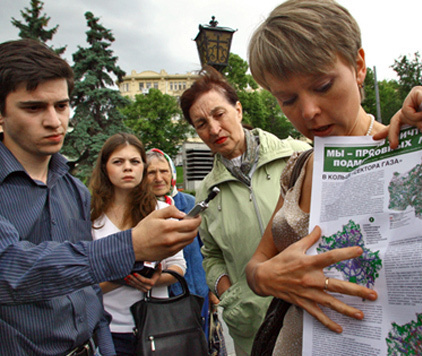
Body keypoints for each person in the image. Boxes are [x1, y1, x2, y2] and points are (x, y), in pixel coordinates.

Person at [245, 1, 422, 355]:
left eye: (322, 86)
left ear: (359, 66)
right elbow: (258, 262)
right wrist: (264, 278)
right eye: (287, 99)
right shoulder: (298, 168)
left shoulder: (413, 153)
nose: (308, 111)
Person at [0, 38, 200, 356]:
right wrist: (131, 246)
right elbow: (10, 270)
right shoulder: (91, 202)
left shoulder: (73, 191)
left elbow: (88, 293)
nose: (54, 121)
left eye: (62, 106)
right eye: (34, 107)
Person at [179, 66, 311, 356]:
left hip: (311, 315)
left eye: (219, 114)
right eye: (201, 123)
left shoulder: (299, 156)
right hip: (251, 328)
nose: (213, 129)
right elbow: (210, 255)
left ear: (238, 109)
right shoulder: (206, 193)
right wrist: (230, 293)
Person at [90, 133, 187, 355]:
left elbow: (179, 266)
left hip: (157, 325)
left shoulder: (162, 211)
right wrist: (124, 279)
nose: (128, 168)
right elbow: (84, 281)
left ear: (143, 167)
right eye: (118, 162)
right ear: (105, 168)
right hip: (109, 330)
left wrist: (155, 280)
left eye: (134, 162)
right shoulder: (91, 217)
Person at [146, 148, 211, 338]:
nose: (159, 178)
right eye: (151, 172)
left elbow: (206, 248)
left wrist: (213, 291)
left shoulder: (190, 204)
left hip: (197, 293)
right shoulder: (140, 211)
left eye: (164, 171)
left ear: (172, 173)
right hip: (163, 299)